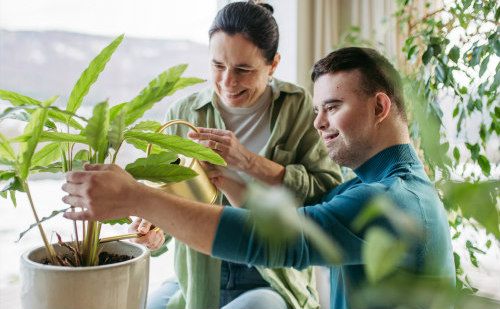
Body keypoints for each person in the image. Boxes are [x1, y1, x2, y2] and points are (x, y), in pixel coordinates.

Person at [62, 47, 456, 309]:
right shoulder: (375, 185)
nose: (318, 123)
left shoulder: (391, 200)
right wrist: (222, 179)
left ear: (380, 106)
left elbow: (276, 239)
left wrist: (138, 198)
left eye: (332, 107)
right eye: (318, 109)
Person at [124, 1, 342, 309]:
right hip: (198, 274)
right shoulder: (184, 114)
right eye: (217, 66)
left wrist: (250, 162)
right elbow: (165, 207)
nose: (228, 82)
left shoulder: (298, 109)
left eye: (243, 69)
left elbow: (328, 195)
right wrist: (154, 233)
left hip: (269, 274)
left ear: (273, 65)